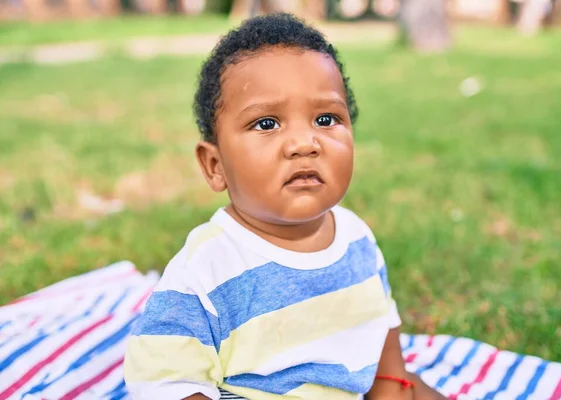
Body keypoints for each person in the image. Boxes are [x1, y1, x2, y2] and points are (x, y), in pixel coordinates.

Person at [124, 13, 446, 400]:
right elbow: (165, 383)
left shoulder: (356, 238)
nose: (304, 143)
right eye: (267, 124)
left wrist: (392, 386)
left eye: (326, 119)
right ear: (215, 165)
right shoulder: (206, 269)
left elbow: (381, 329)